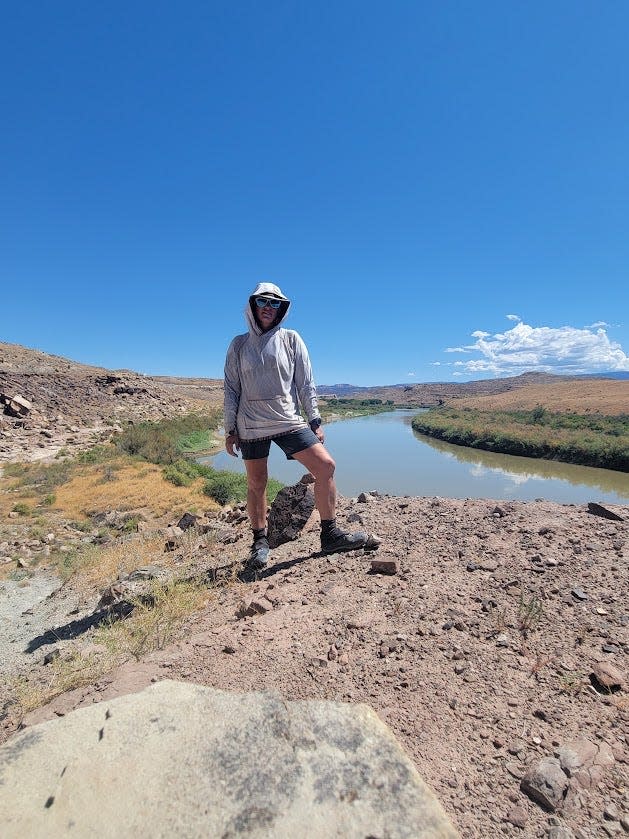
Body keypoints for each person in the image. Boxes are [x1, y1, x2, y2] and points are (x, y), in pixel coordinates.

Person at [224, 282, 368, 570]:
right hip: (250, 423)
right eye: (263, 301)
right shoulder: (239, 344)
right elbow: (231, 388)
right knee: (256, 483)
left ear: (282, 309)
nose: (268, 307)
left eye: (274, 303)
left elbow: (305, 383)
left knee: (325, 466)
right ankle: (259, 543)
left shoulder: (291, 339)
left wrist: (314, 420)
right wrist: (230, 429)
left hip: (288, 419)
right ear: (252, 306)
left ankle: (330, 534)